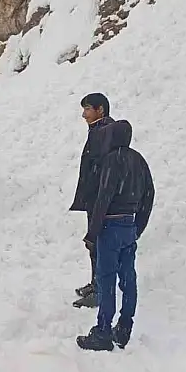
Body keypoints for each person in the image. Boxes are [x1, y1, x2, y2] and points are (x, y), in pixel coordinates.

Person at [76, 120, 154, 351]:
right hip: (129, 225)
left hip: (109, 226)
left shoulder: (110, 161)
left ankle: (102, 332)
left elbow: (104, 197)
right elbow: (149, 194)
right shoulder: (138, 160)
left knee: (106, 279)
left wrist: (93, 232)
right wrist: (137, 226)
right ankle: (124, 328)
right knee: (128, 279)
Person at [69, 93, 115, 308]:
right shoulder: (98, 131)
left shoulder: (104, 133)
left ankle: (100, 290)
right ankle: (96, 283)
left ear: (100, 110)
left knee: (97, 244)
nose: (84, 114)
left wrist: (97, 196)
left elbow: (102, 169)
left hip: (99, 199)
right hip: (94, 198)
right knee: (94, 244)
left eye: (88, 109)